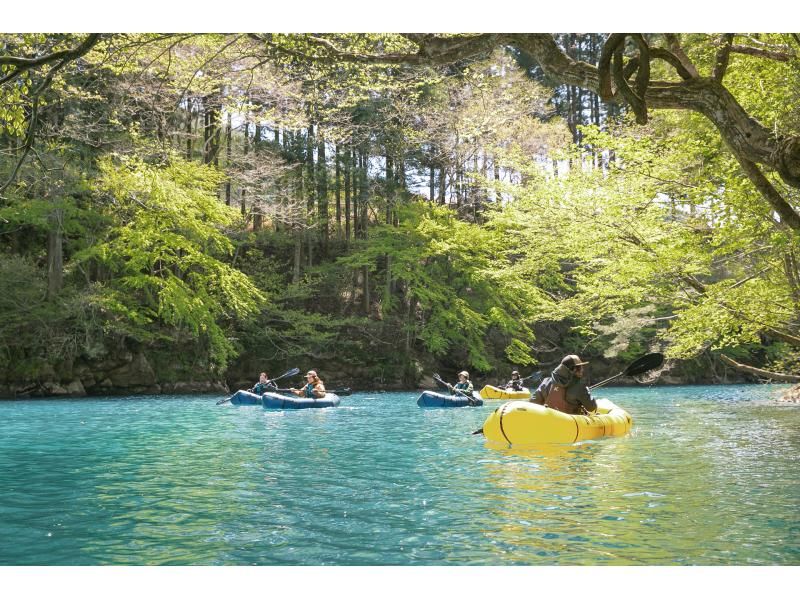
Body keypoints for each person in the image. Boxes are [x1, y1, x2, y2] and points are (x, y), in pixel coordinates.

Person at [531, 354, 597, 415]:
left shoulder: (546, 382)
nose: (582, 369)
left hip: (549, 421)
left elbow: (533, 402)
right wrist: (586, 390)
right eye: (580, 367)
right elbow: (591, 407)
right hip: (570, 424)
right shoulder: (580, 386)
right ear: (574, 369)